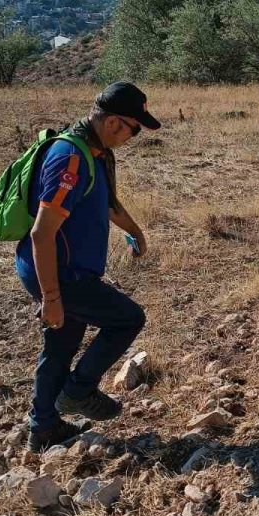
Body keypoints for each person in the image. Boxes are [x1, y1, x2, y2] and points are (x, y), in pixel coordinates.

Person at [15, 81, 160, 451]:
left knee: (61, 344)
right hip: (62, 274)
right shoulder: (71, 158)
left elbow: (109, 204)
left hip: (64, 271)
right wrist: (51, 297)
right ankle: (78, 393)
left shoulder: (93, 151)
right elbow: (41, 234)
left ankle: (44, 427)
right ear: (113, 123)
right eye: (134, 128)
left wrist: (135, 231)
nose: (133, 136)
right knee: (128, 318)